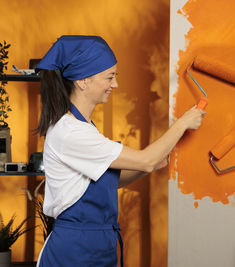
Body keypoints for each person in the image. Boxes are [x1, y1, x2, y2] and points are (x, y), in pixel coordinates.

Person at [34, 35, 205, 267]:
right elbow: (145, 159)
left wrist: (150, 166)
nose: (115, 84)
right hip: (75, 251)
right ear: (83, 81)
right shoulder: (70, 132)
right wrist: (183, 123)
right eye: (110, 77)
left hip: (99, 245)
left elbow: (108, 182)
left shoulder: (85, 128)